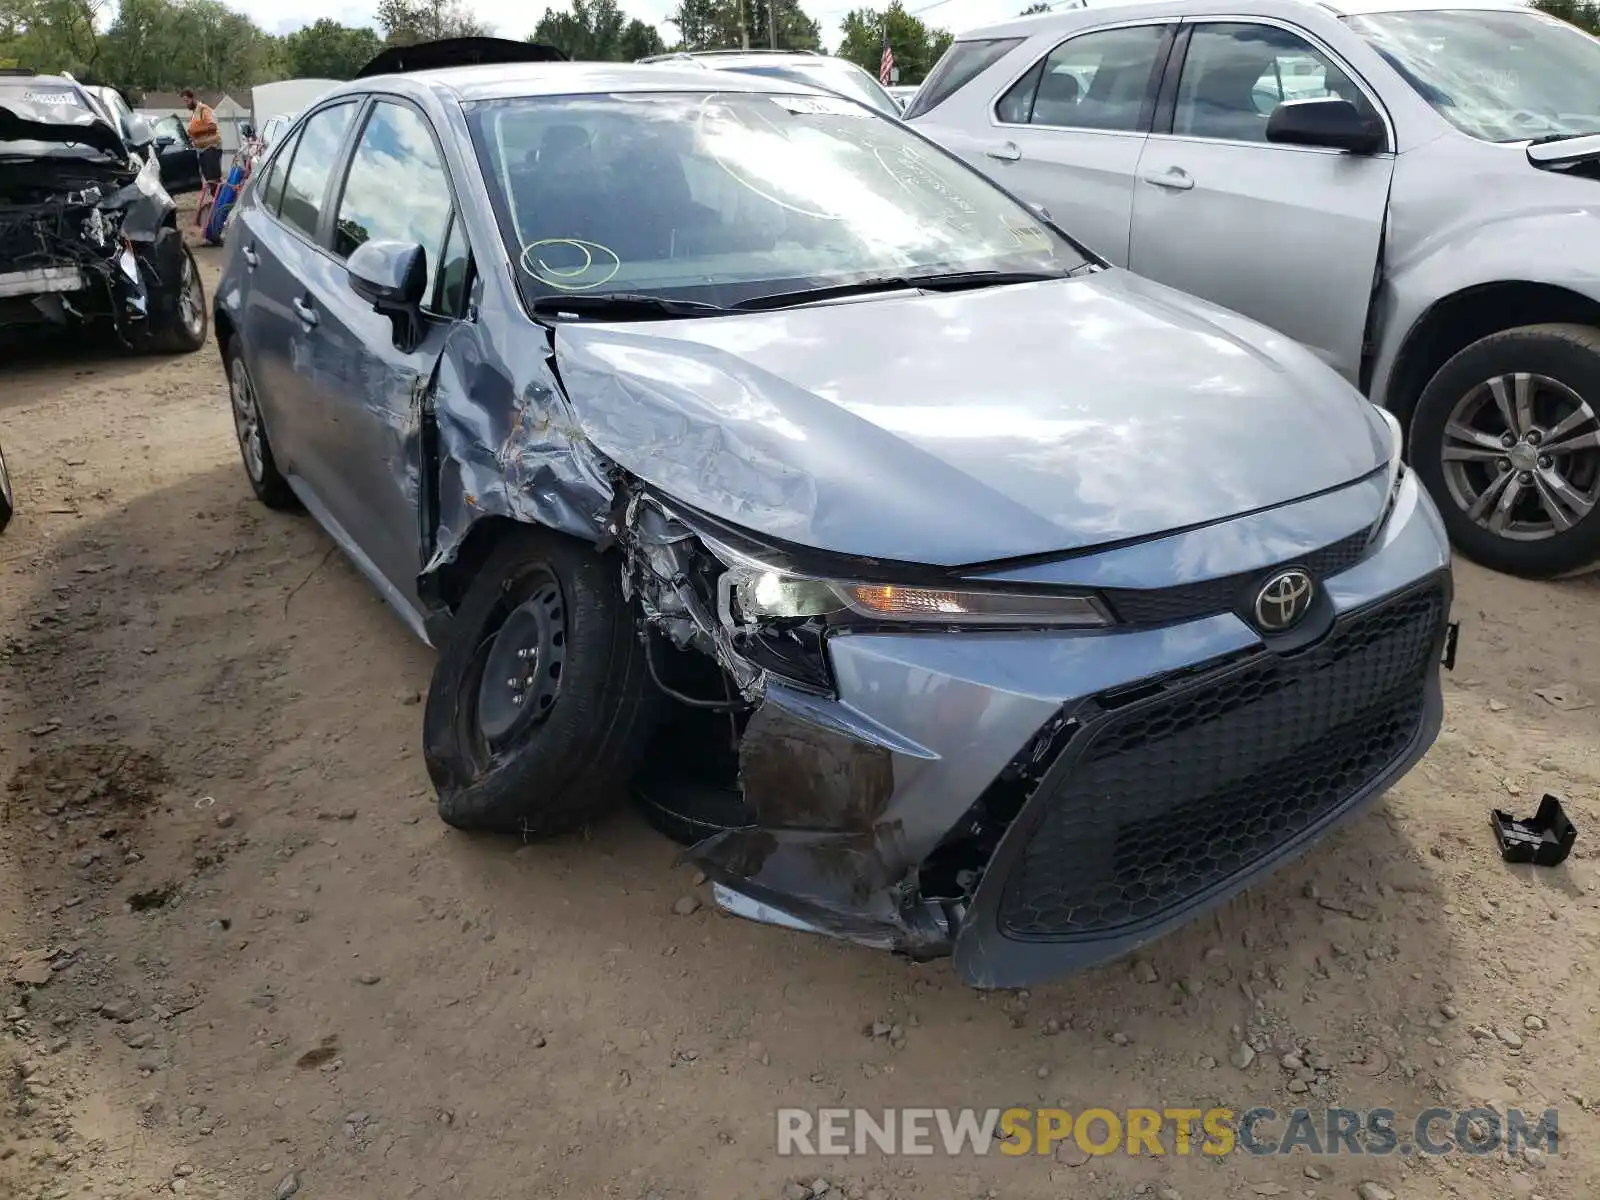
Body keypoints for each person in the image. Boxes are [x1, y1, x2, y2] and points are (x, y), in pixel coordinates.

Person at [181, 88, 224, 185]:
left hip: (211, 148)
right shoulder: (195, 113)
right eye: (185, 102)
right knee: (209, 179)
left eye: (187, 101)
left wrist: (194, 130)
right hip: (203, 150)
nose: (186, 104)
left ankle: (221, 198)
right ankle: (215, 198)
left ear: (193, 98)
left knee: (213, 179)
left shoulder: (204, 109)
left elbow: (212, 126)